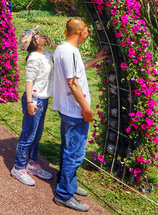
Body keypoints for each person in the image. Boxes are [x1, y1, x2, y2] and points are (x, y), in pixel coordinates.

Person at [52, 19, 108, 212]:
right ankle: (64, 194)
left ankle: (68, 183)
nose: (88, 33)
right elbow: (73, 83)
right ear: (80, 31)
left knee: (67, 148)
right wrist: (86, 109)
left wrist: (97, 59)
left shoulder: (63, 49)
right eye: (87, 30)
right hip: (75, 112)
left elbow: (77, 70)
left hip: (67, 109)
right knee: (74, 154)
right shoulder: (71, 52)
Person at [11, 26, 57, 186]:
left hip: (43, 99)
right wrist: (30, 102)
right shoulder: (34, 58)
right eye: (38, 35)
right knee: (28, 135)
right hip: (35, 99)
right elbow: (29, 81)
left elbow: (60, 54)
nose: (42, 35)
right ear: (35, 41)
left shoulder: (45, 55)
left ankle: (32, 163)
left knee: (37, 135)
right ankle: (18, 167)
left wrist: (50, 42)